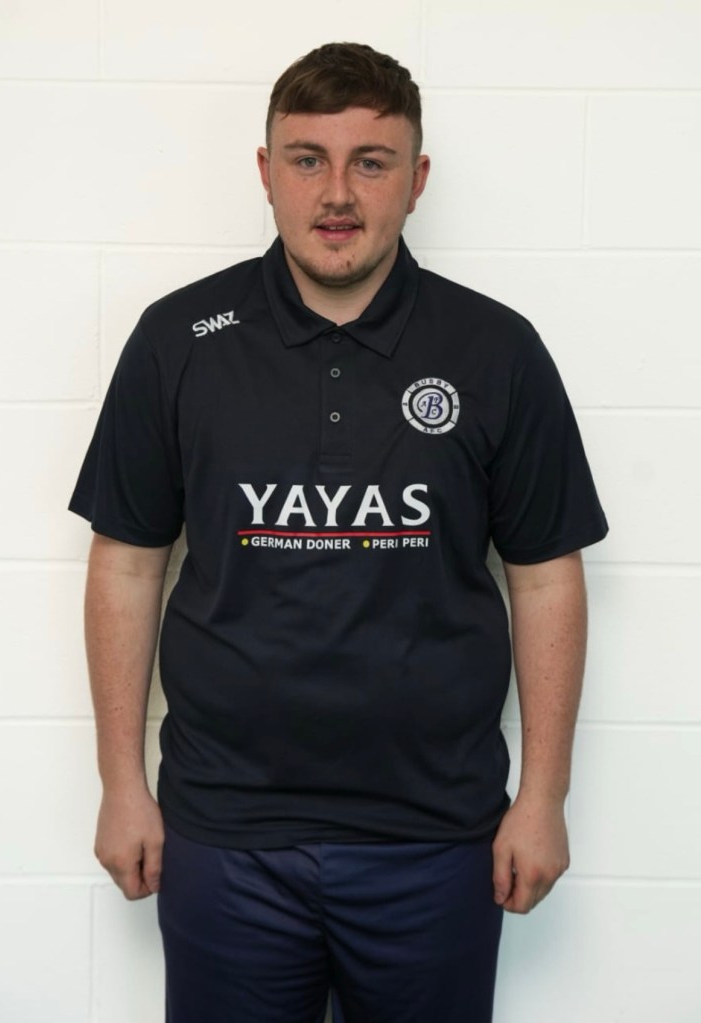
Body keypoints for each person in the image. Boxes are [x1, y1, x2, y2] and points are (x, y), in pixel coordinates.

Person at [70, 42, 608, 1023]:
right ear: (266, 171)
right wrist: (120, 783)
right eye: (308, 158)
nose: (337, 193)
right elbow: (127, 565)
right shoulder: (178, 341)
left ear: (417, 179)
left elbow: (544, 576)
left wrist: (543, 797)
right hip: (225, 833)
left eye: (371, 161)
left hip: (436, 837)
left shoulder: (496, 350)